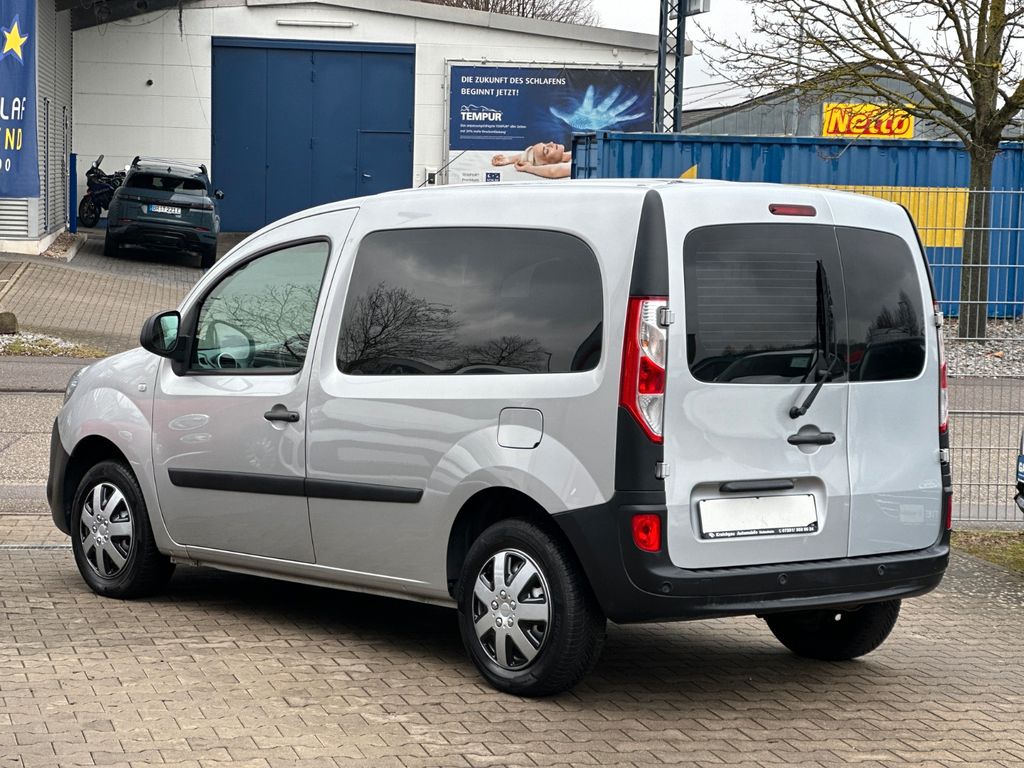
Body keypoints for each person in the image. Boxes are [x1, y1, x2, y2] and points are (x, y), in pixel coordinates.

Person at [491, 141, 571, 179]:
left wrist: (509, 159)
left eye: (546, 144)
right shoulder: (573, 163)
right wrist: (529, 168)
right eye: (546, 150)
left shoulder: (573, 152)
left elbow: (529, 155)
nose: (551, 143)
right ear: (546, 165)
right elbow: (552, 171)